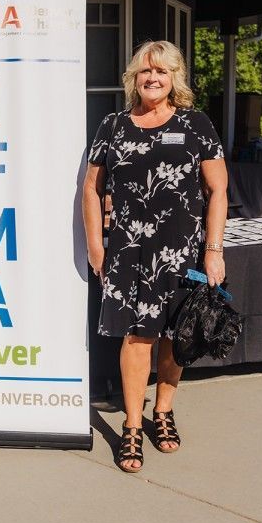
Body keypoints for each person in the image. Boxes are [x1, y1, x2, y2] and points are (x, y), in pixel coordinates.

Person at [82, 40, 227, 473]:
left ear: (174, 78)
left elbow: (218, 189)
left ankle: (162, 413)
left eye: (161, 72)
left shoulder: (196, 123)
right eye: (145, 72)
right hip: (128, 250)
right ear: (133, 78)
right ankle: (130, 427)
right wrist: (95, 244)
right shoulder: (113, 125)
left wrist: (213, 251)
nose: (152, 78)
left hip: (183, 251)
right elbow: (91, 188)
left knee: (175, 335)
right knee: (137, 337)